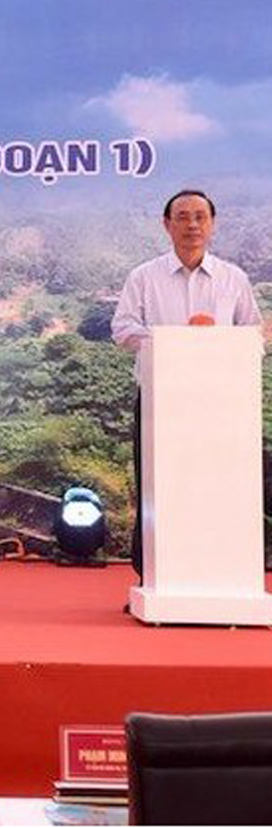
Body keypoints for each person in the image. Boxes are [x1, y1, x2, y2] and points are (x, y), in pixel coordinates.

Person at [111, 189, 263, 580]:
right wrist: (172, 342)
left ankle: (216, 574)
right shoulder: (144, 277)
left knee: (214, 486)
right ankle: (152, 577)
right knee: (159, 489)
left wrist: (220, 345)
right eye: (182, 217)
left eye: (200, 217)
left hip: (220, 403)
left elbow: (253, 335)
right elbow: (122, 329)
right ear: (167, 225)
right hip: (161, 400)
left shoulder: (233, 279)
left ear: (212, 224)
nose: (192, 225)